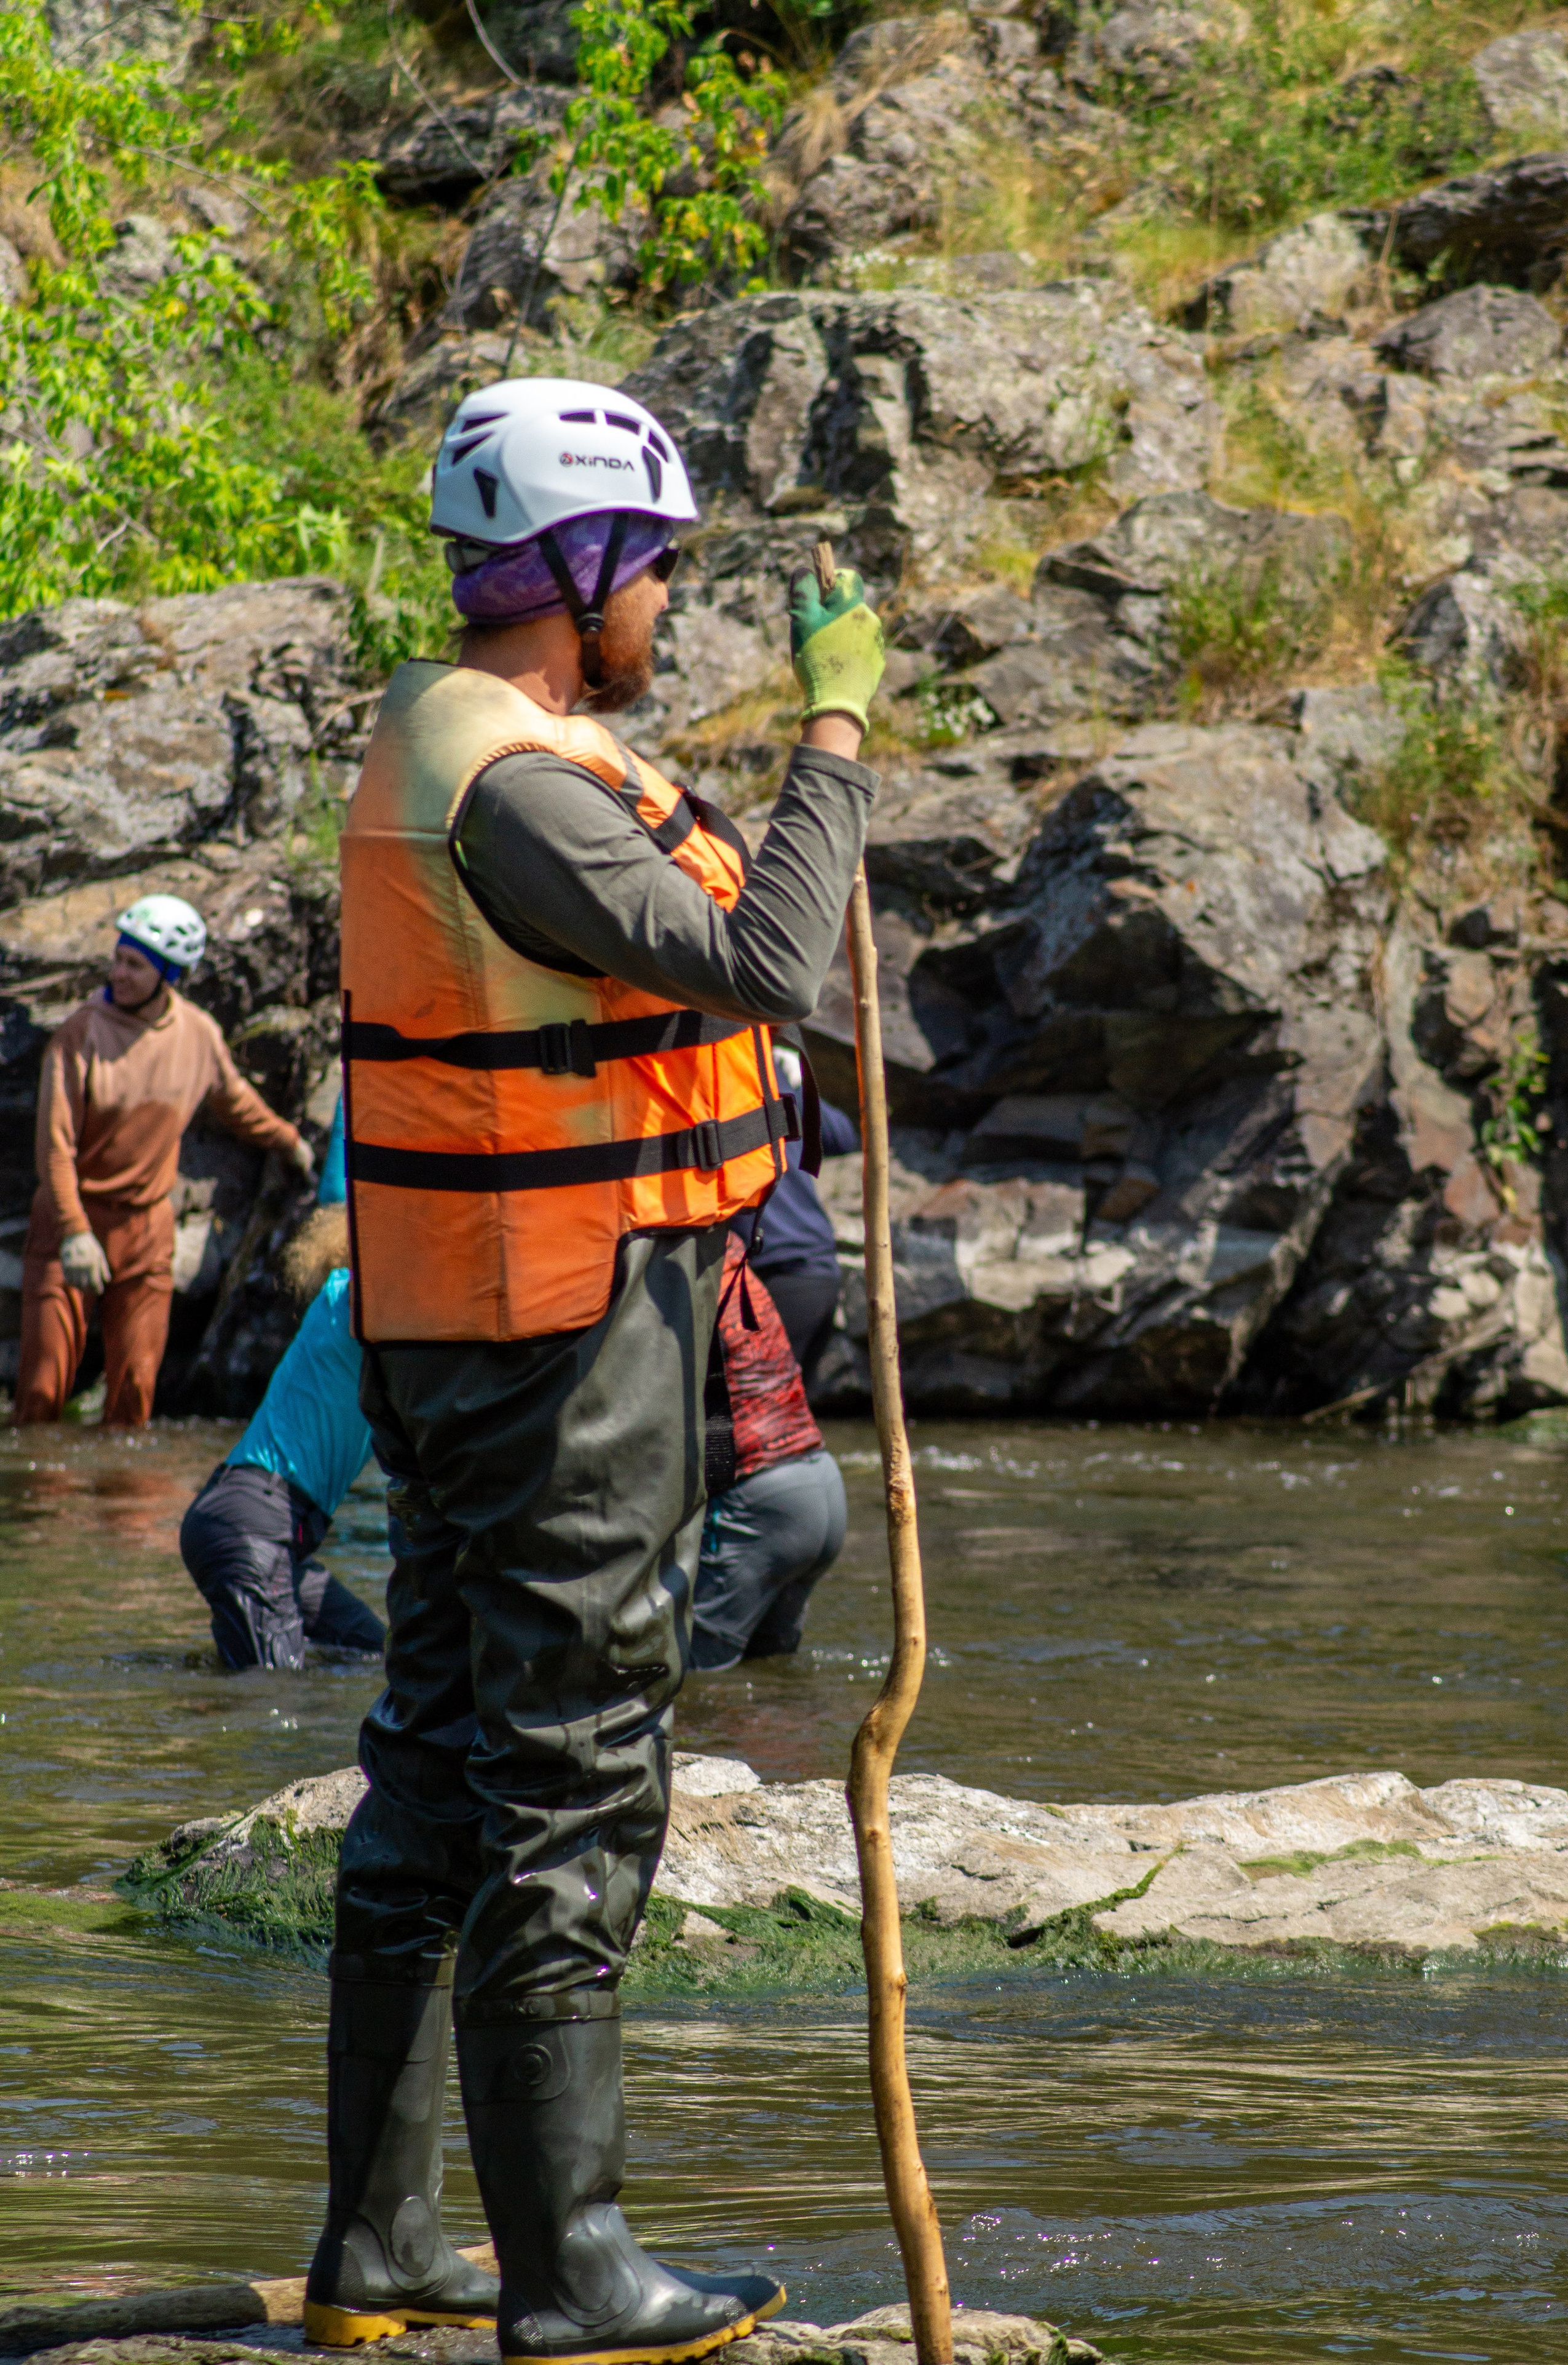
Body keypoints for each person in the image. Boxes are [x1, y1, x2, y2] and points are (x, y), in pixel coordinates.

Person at [303, 378, 885, 2364]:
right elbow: (775, 962)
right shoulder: (520, 786)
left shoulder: (466, 739)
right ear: (577, 567)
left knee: (440, 1768)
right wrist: (837, 729)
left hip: (467, 1316)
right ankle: (578, 2273)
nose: (666, 601)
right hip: (564, 1339)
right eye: (653, 565)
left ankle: (381, 2248)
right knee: (569, 1777)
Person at [15, 897, 314, 1428]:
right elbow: (55, 1147)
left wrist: (289, 1141)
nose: (119, 973)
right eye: (118, 959)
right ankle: (38, 1506)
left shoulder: (197, 1034)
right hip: (71, 1221)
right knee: (41, 1394)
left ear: (169, 975)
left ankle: (126, 1508)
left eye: (136, 964)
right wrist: (74, 1231)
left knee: (134, 1400)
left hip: (147, 1228)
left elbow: (237, 1102)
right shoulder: (79, 1035)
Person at [180, 1207, 387, 1671]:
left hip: (256, 1522)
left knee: (374, 1652)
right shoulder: (357, 1299)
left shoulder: (337, 1299)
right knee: (272, 1693)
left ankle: (211, 1681)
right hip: (256, 1523)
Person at [692, 1233, 847, 1672]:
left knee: (696, 1680)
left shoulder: (672, 1263)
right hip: (821, 1481)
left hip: (758, 1500)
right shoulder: (729, 1250)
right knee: (772, 1676)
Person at [739, 1030, 858, 1380]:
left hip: (779, 1274)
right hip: (819, 1272)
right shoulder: (773, 1076)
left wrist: (800, 1086)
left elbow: (841, 1138)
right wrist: (797, 1084)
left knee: (755, 1417)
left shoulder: (731, 1083)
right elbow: (844, 1137)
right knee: (787, 1419)